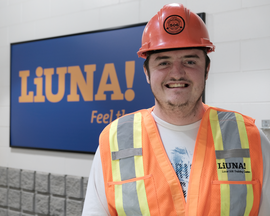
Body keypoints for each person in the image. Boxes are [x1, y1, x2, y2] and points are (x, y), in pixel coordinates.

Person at [82, 3, 270, 216]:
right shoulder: (114, 141)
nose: (177, 73)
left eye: (190, 61)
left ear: (206, 69)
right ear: (147, 73)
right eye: (163, 63)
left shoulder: (250, 138)